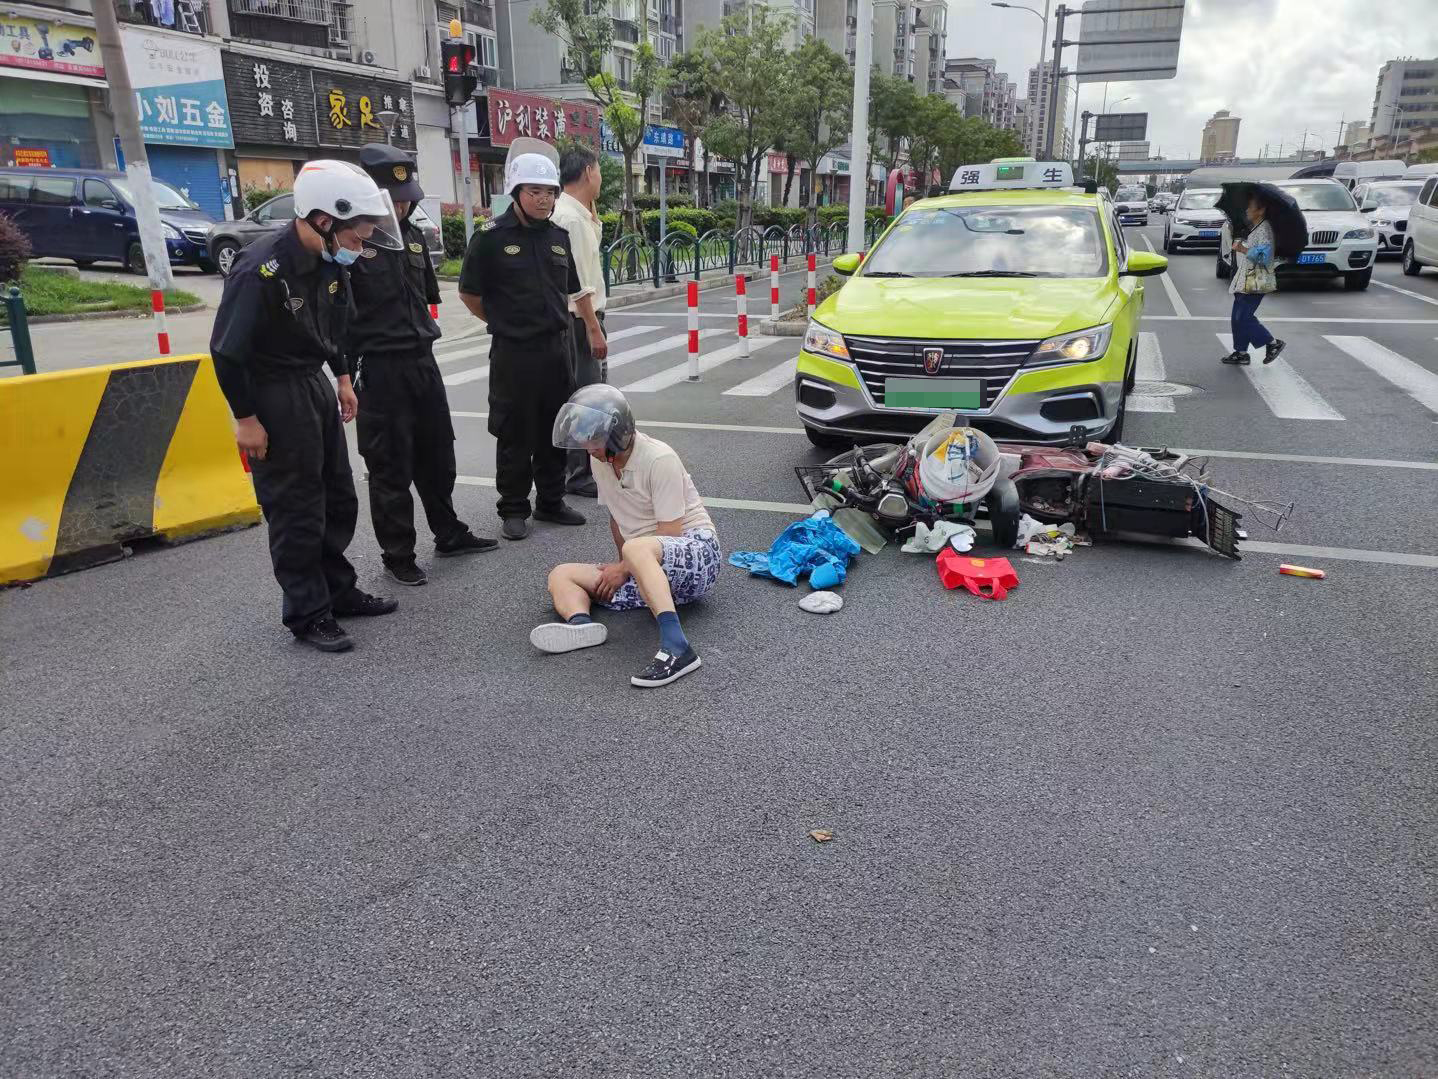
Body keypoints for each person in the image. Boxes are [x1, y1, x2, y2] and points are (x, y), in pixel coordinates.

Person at [210, 160, 401, 653]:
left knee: (337, 496)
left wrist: (342, 379)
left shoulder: (328, 259)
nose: (362, 244)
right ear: (323, 219)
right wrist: (246, 419)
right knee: (296, 508)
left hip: (312, 382)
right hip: (273, 392)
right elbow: (226, 351)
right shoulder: (261, 268)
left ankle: (338, 591)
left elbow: (332, 328)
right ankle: (308, 612)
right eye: (357, 234)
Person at [348, 144, 496, 587]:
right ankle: (398, 553)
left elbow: (427, 297)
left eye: (405, 198)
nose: (400, 206)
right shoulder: (351, 243)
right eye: (391, 199)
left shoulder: (412, 236)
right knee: (390, 465)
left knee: (438, 453)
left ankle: (448, 531)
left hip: (421, 360)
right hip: (379, 366)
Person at [531, 385, 720, 689]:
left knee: (635, 550)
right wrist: (622, 565)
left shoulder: (659, 458)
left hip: (697, 555)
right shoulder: (600, 460)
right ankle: (582, 625)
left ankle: (679, 649)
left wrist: (624, 568)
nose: (587, 447)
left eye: (593, 439)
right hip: (646, 563)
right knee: (561, 574)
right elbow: (617, 518)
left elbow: (671, 533)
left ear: (617, 433)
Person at [458, 153, 602, 540]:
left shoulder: (558, 237)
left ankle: (551, 501)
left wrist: (591, 329)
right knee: (515, 431)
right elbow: (469, 294)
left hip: (556, 349)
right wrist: (503, 322)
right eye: (534, 191)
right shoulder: (490, 238)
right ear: (516, 192)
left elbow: (573, 288)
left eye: (549, 192)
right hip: (514, 353)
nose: (543, 199)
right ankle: (514, 507)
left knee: (554, 428)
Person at [549, 144, 610, 498]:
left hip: (581, 318)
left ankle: (579, 468)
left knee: (586, 392)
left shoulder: (577, 214)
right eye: (598, 170)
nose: (600, 177)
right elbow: (579, 284)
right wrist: (593, 327)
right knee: (586, 396)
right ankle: (578, 472)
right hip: (579, 319)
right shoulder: (570, 218)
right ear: (588, 172)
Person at [1224, 194, 1286, 366]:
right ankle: (1241, 352)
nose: (1247, 210)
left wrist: (1243, 249)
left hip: (1256, 279)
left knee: (1243, 317)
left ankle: (1272, 343)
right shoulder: (1257, 227)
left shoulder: (1265, 229)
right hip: (1246, 278)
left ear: (1261, 210)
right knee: (1238, 317)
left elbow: (1264, 257)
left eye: (1250, 207)